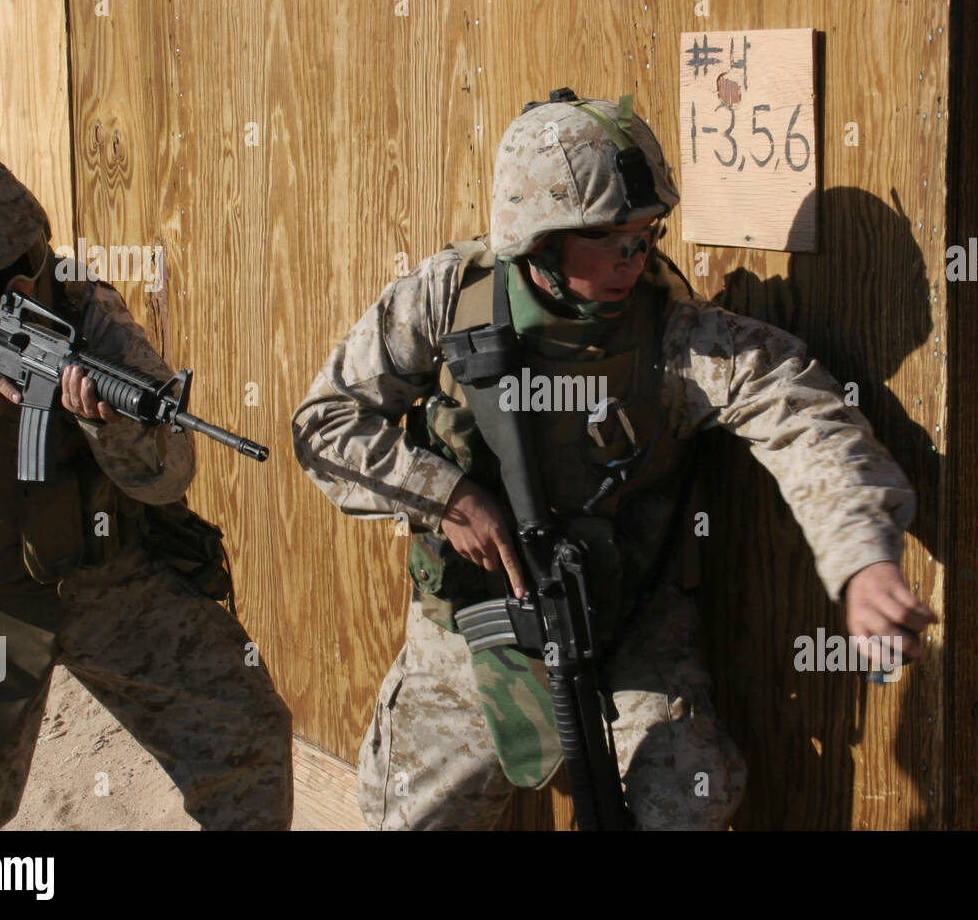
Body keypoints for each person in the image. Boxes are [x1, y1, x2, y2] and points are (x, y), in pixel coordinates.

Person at [293, 89, 936, 830]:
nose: (638, 259)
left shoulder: (676, 334)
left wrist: (863, 558)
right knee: (420, 812)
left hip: (629, 614)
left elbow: (808, 421)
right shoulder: (447, 301)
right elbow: (325, 424)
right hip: (478, 614)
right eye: (614, 240)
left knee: (687, 789)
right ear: (540, 239)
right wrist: (446, 496)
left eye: (648, 235)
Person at [0, 145, 293, 830]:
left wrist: (108, 428)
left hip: (107, 581)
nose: (19, 293)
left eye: (28, 264)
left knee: (248, 731)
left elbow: (171, 473)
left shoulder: (83, 310)